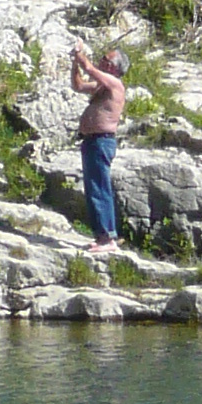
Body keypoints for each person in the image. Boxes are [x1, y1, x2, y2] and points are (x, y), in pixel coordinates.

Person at [70, 38, 127, 249]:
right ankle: (102, 235)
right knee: (94, 187)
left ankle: (107, 237)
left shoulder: (115, 84)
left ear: (113, 66)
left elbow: (89, 68)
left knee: (99, 188)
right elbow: (78, 85)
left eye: (105, 59)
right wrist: (75, 63)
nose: (102, 61)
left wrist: (80, 54)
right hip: (91, 141)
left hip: (101, 141)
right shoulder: (101, 86)